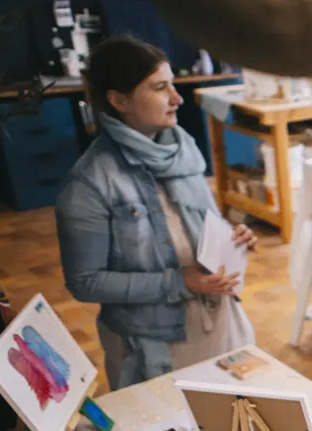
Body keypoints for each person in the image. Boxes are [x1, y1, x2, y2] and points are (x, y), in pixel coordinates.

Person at [56, 36, 256, 390]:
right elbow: (84, 281)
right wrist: (178, 280)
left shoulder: (182, 147)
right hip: (155, 346)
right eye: (160, 88)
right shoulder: (89, 183)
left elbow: (196, 223)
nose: (177, 98)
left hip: (221, 322)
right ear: (120, 101)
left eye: (172, 85)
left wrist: (232, 238)